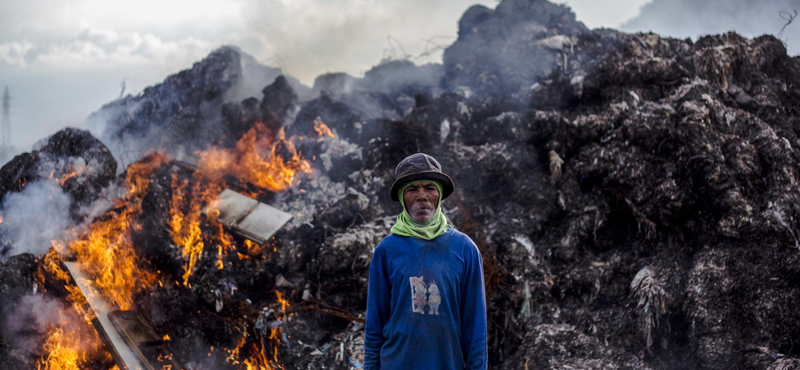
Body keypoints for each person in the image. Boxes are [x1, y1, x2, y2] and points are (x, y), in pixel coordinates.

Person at [364, 153, 488, 370]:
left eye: (429, 188)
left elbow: (475, 327)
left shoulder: (465, 249)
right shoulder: (386, 251)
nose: (422, 196)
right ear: (403, 197)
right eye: (412, 189)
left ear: (439, 195)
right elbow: (375, 324)